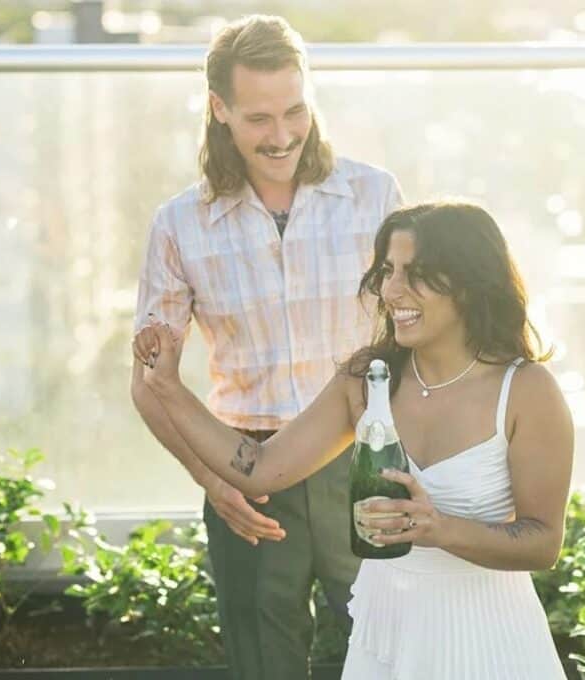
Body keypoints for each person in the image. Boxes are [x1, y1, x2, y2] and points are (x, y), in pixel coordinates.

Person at [133, 201, 574, 679]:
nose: (391, 290)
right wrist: (169, 389)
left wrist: (437, 527)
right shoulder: (367, 380)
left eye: (415, 273)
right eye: (388, 271)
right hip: (386, 639)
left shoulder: (527, 391)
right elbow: (260, 467)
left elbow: (543, 542)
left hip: (487, 639)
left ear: (468, 284)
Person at [129, 14, 402, 680]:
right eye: (258, 119)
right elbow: (148, 381)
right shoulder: (178, 224)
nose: (281, 136)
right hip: (244, 472)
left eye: (294, 111)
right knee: (263, 666)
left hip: (363, 456)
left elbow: (416, 341)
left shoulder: (375, 194)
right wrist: (211, 478)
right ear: (219, 109)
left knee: (389, 652)